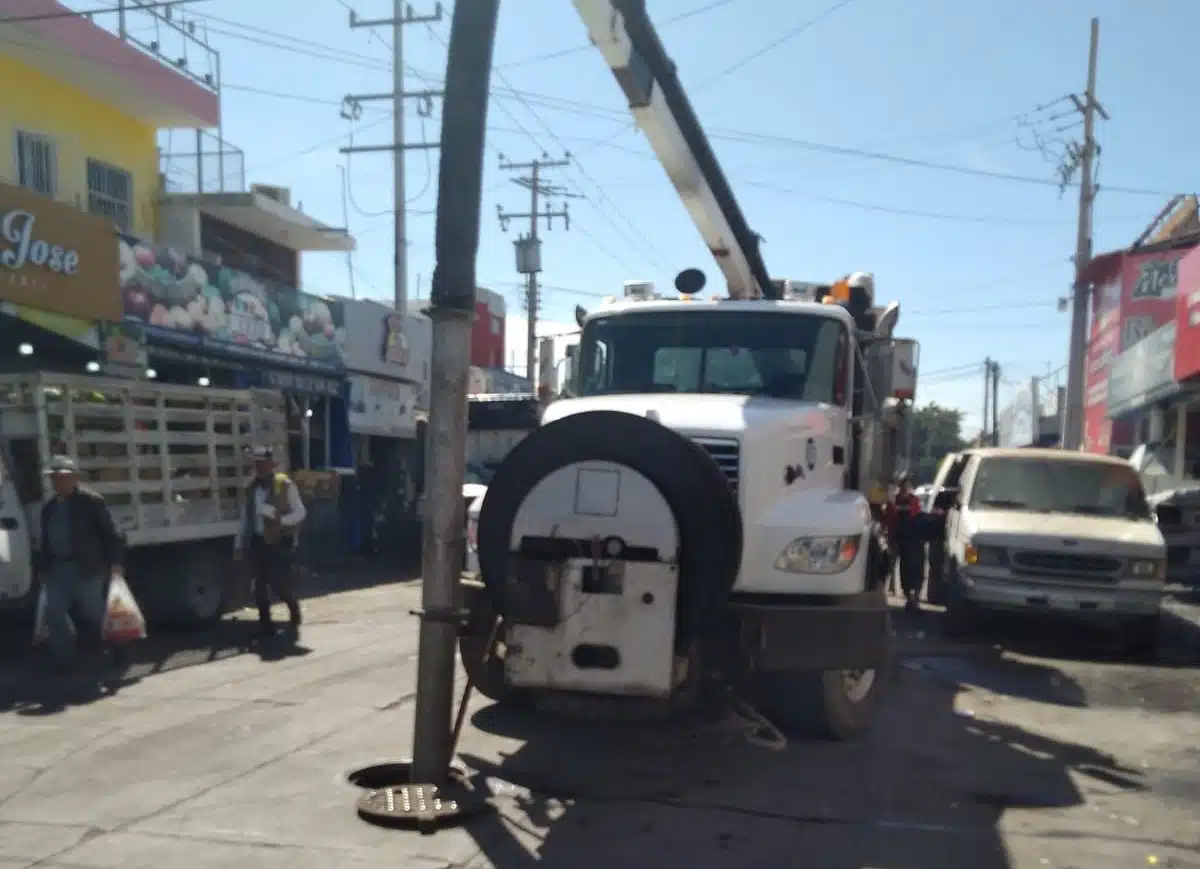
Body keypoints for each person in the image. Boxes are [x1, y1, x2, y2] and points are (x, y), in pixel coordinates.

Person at [37, 455, 127, 675]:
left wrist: (116, 563)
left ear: (75, 478)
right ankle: (64, 661)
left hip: (86, 568)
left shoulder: (90, 501)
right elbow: (46, 541)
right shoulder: (48, 508)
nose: (59, 483)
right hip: (58, 569)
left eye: (64, 478)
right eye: (55, 478)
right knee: (54, 612)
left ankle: (119, 649)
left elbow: (112, 534)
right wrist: (44, 570)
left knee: (94, 614)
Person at [234, 447, 307, 640]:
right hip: (258, 541)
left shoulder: (284, 484)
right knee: (258, 586)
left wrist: (280, 520)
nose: (259, 468)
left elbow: (300, 512)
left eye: (263, 464)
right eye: (256, 465)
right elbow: (244, 518)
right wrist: (239, 544)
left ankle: (293, 610)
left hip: (279, 541)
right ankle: (266, 625)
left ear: (271, 465)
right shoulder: (251, 488)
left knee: (280, 584)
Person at [885, 474, 925, 613]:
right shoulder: (894, 502)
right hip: (901, 540)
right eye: (903, 486)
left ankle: (915, 598)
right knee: (904, 569)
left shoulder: (914, 501)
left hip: (914, 541)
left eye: (907, 486)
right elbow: (890, 521)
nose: (905, 488)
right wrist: (891, 539)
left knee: (915, 570)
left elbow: (917, 517)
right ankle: (909, 596)